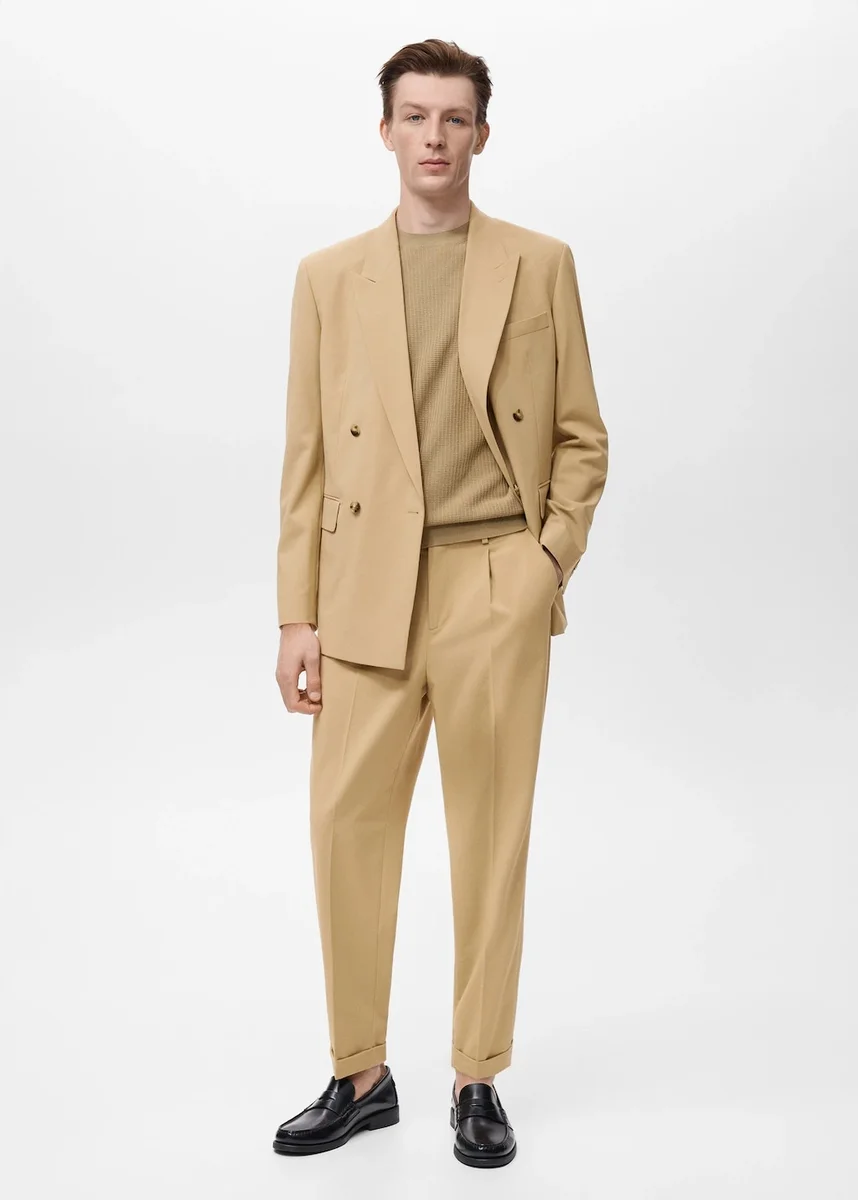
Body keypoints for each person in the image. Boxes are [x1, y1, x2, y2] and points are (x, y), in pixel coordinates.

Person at [272, 37, 608, 1168]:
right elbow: (307, 457)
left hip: (492, 582)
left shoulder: (539, 263)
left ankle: (477, 1076)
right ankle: (360, 1073)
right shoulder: (327, 277)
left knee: (490, 837)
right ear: (385, 132)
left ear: (480, 135)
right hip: (363, 588)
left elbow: (582, 436)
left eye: (453, 118)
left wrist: (545, 564)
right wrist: (296, 614)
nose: (433, 135)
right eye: (414, 116)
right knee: (344, 829)